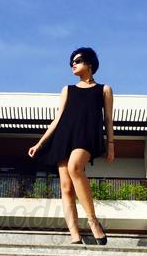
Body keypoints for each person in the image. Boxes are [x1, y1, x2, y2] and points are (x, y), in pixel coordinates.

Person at [28, 47, 115, 245]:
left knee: (75, 167)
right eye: (71, 62)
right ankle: (74, 234)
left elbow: (108, 119)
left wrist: (110, 144)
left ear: (89, 63)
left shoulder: (104, 89)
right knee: (66, 188)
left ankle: (93, 221)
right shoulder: (67, 89)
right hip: (64, 137)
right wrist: (40, 143)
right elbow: (58, 118)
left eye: (77, 60)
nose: (73, 64)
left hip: (87, 137)